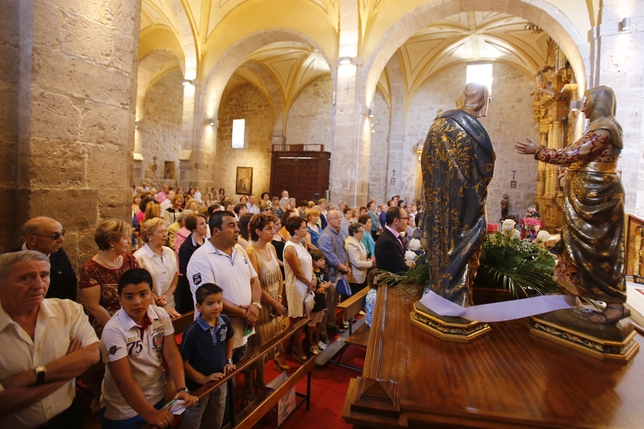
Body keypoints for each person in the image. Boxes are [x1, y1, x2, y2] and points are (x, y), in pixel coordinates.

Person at [515, 85, 629, 324]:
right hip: (585, 198)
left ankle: (615, 304)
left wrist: (539, 151)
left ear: (599, 102)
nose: (583, 107)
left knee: (598, 250)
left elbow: (574, 153)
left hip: (599, 198)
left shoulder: (605, 128)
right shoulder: (598, 126)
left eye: (586, 101)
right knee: (574, 247)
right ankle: (569, 292)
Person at [0, 251, 99, 429]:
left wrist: (29, 377)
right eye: (25, 278)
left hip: (67, 418)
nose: (39, 285)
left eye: (44, 275)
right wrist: (67, 374)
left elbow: (92, 354)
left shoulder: (68, 311)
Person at [422, 82, 495, 306]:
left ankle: (439, 293)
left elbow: (426, 162)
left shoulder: (438, 124)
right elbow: (485, 168)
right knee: (462, 248)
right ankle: (457, 300)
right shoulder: (473, 130)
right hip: (466, 206)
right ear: (482, 101)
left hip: (439, 204)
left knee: (440, 247)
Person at [99, 268, 197, 429]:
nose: (137, 302)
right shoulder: (114, 330)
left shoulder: (160, 315)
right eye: (129, 297)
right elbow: (122, 379)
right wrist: (150, 414)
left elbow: (171, 354)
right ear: (119, 299)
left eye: (143, 294)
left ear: (152, 294)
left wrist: (181, 387)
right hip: (123, 409)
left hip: (157, 394)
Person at [187, 211, 261, 364]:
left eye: (236, 225)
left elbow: (254, 280)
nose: (237, 230)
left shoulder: (239, 250)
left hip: (242, 330)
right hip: (217, 336)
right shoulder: (201, 258)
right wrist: (245, 313)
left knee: (236, 374)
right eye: (231, 226)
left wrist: (255, 305)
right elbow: (209, 299)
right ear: (216, 231)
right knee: (218, 381)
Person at [179, 283, 235, 429]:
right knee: (193, 419)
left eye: (219, 302)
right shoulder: (192, 332)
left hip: (219, 380)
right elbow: (183, 362)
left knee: (216, 415)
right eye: (210, 303)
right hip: (197, 387)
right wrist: (202, 379)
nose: (216, 307)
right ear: (199, 307)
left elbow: (230, 338)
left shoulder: (224, 321)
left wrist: (228, 360)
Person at [245, 214, 290, 397]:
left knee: (266, 346)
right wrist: (274, 304)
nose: (274, 232)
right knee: (254, 348)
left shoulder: (270, 246)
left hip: (274, 300)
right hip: (261, 303)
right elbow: (255, 284)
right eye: (269, 229)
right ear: (257, 232)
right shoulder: (251, 252)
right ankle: (248, 389)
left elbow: (279, 275)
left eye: (273, 228)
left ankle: (261, 380)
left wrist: (279, 296)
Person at [80, 219, 140, 336]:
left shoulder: (129, 260)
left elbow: (143, 286)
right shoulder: (91, 269)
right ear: (112, 242)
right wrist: (119, 329)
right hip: (108, 326)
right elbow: (93, 306)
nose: (129, 241)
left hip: (135, 318)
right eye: (125, 238)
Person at [14, 216, 77, 301]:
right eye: (55, 236)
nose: (62, 240)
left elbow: (70, 285)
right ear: (31, 239)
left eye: (62, 234)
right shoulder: (11, 261)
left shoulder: (59, 253)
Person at [134, 218, 180, 318]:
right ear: (149, 235)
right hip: (151, 306)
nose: (165, 235)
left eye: (165, 231)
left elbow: (175, 275)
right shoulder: (139, 257)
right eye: (160, 232)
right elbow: (141, 285)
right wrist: (159, 302)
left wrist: (167, 295)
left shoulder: (169, 252)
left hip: (170, 302)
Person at [283, 217, 315, 361]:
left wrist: (313, 278)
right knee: (294, 320)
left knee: (300, 319)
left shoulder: (301, 243)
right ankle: (281, 351)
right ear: (295, 230)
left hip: (306, 284)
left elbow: (308, 264)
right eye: (303, 227)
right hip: (296, 287)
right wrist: (309, 283)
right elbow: (297, 272)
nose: (306, 229)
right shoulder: (290, 248)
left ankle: (295, 347)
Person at [318, 209, 351, 342]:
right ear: (329, 220)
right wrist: (345, 269)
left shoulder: (338, 233)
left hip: (340, 273)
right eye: (336, 218)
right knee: (327, 304)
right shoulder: (326, 236)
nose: (339, 220)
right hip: (330, 275)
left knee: (334, 303)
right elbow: (331, 258)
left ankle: (331, 325)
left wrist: (346, 268)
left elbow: (344, 251)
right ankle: (323, 331)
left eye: (340, 218)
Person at [176, 214, 208, 314]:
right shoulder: (186, 247)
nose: (206, 226)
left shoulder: (208, 243)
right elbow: (186, 271)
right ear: (193, 228)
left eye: (205, 223)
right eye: (202, 224)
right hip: (191, 289)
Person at [375, 207, 414, 274]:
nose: (407, 222)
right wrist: (413, 263)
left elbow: (404, 256)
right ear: (396, 221)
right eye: (406, 219)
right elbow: (402, 269)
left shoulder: (395, 236)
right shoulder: (387, 242)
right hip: (394, 283)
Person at [309, 250, 331, 355]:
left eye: (323, 260)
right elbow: (315, 289)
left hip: (322, 300)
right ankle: (311, 344)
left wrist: (322, 286)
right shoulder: (311, 272)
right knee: (311, 325)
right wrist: (321, 287)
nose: (323, 262)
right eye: (321, 260)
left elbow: (329, 282)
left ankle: (317, 341)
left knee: (319, 322)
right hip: (314, 301)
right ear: (313, 261)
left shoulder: (322, 270)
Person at [345, 222, 375, 295]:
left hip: (362, 276)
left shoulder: (358, 241)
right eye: (361, 231)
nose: (363, 233)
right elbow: (357, 263)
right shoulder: (351, 243)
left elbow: (361, 257)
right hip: (355, 279)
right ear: (354, 232)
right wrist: (370, 263)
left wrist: (367, 260)